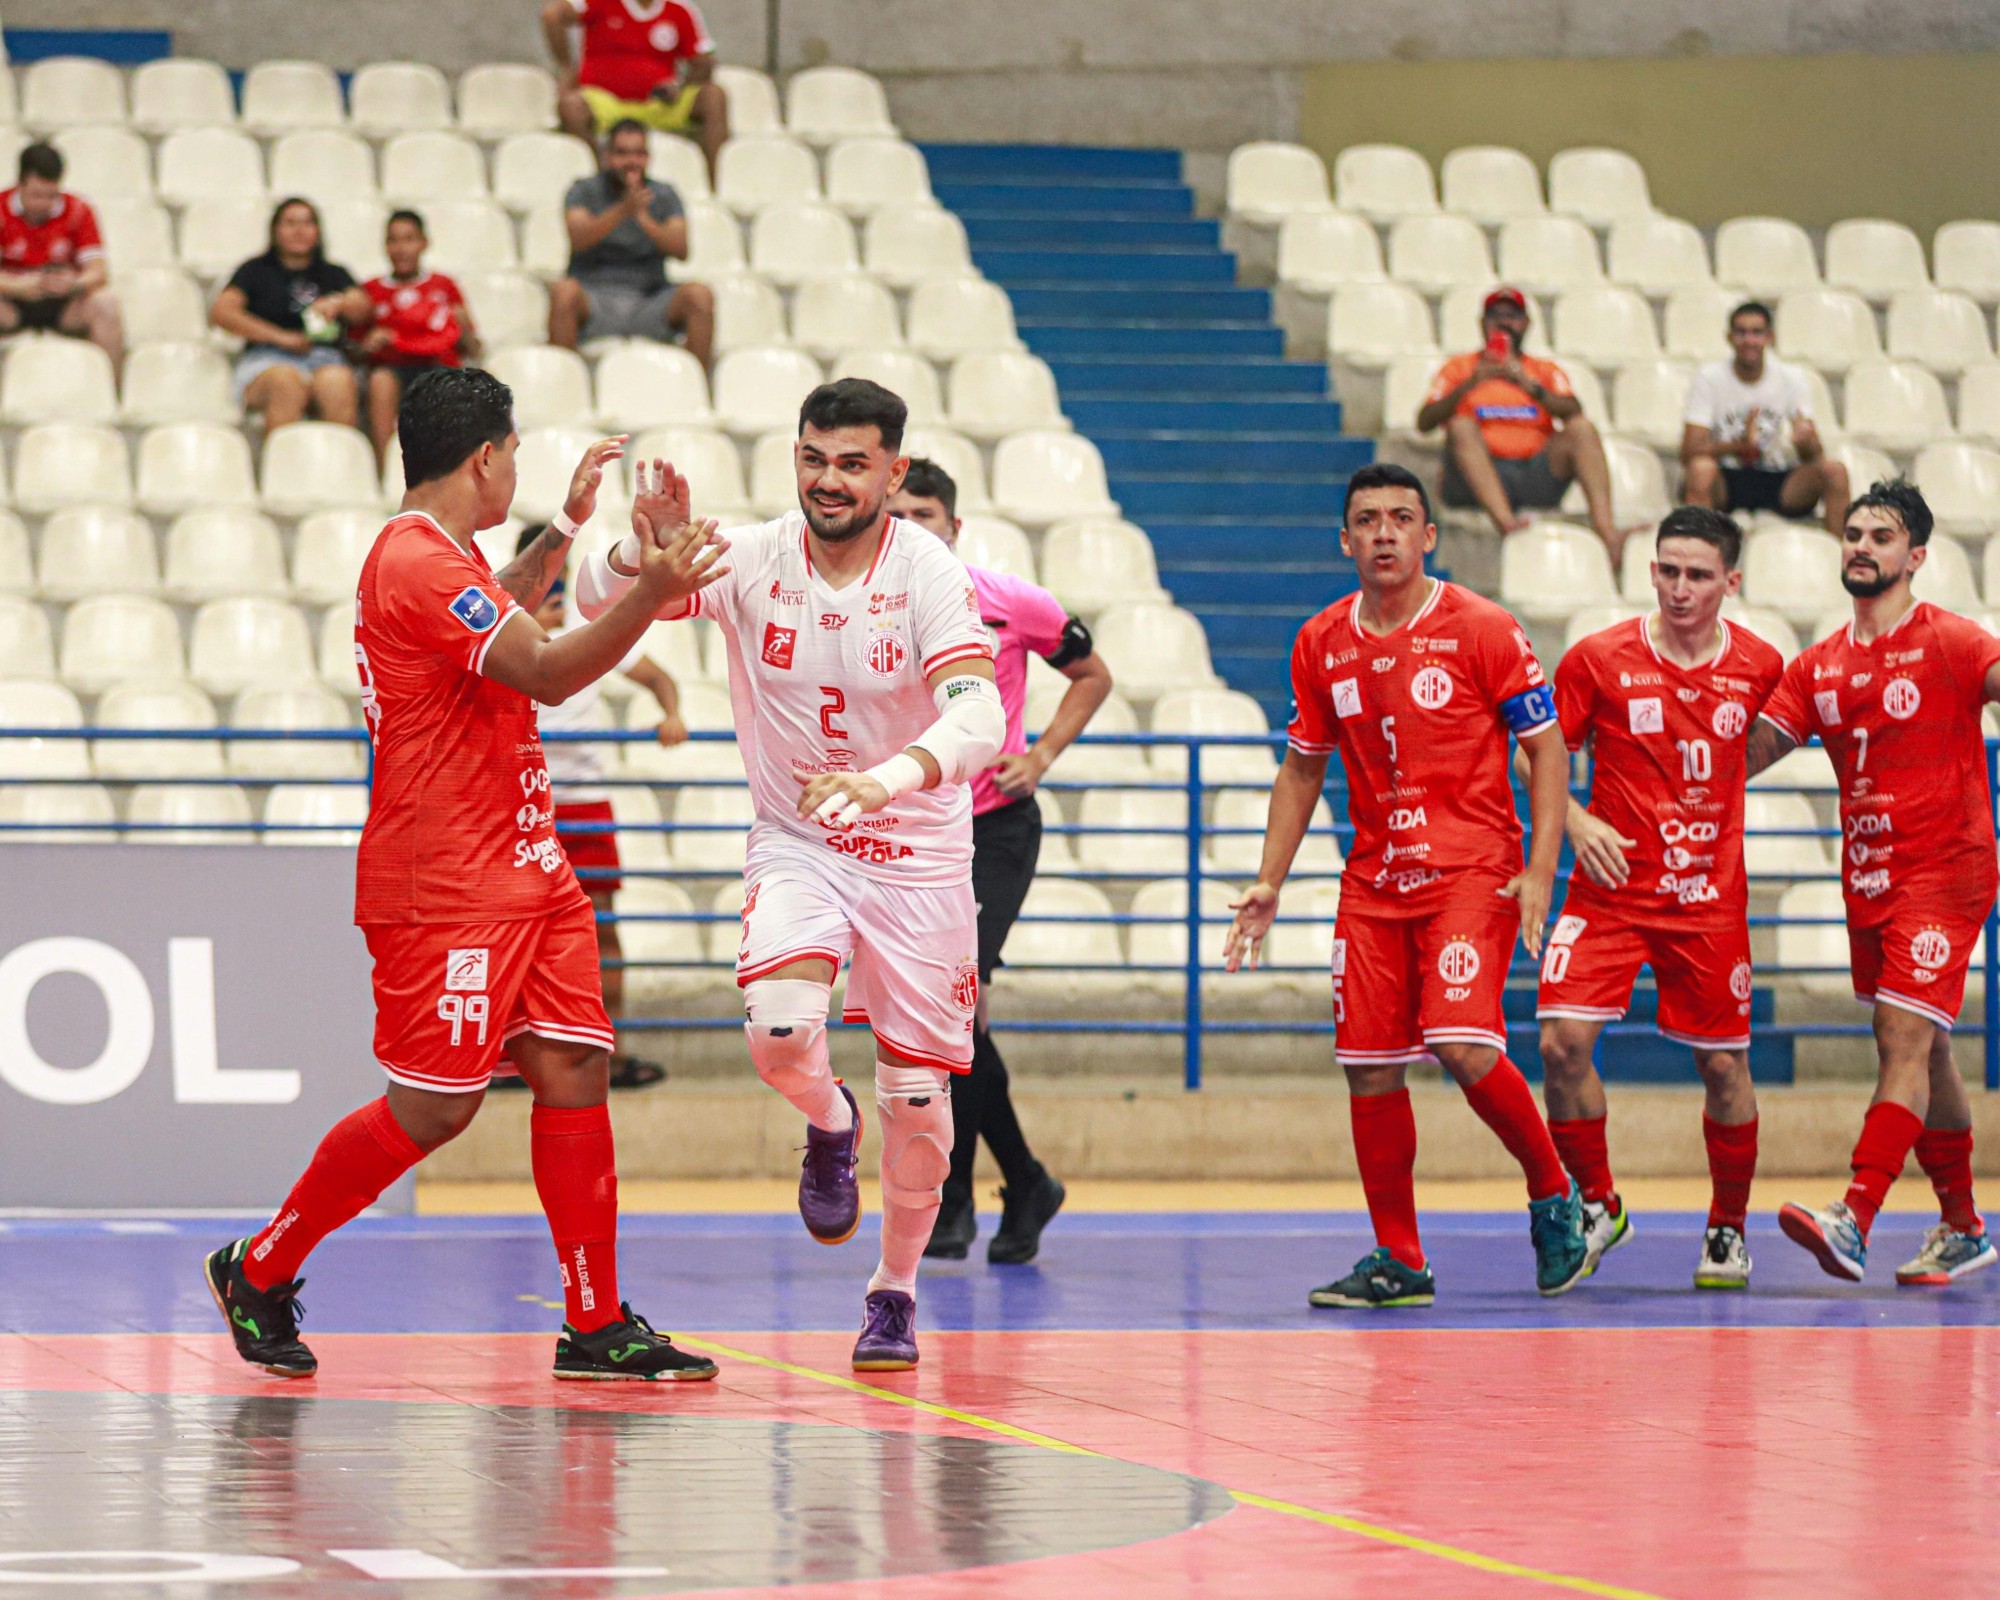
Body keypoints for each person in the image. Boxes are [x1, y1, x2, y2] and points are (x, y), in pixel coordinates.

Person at [203, 368, 731, 1382]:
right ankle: (258, 1266)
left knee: (573, 1066)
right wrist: (655, 593)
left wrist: (570, 524)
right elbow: (544, 669)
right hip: (443, 878)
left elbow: (512, 603)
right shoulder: (412, 561)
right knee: (438, 1107)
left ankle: (593, 1319)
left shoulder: (445, 555)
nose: (519, 469)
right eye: (518, 455)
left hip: (527, 864)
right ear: (486, 457)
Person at [574, 379, 1005, 1371]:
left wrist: (885, 779)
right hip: (798, 838)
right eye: (813, 458)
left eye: (853, 463)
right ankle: (826, 1118)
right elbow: (594, 598)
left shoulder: (927, 570)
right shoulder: (755, 554)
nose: (828, 480)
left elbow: (979, 718)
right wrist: (646, 551)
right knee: (777, 1034)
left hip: (919, 860)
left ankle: (892, 1290)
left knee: (922, 1108)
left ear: (894, 473)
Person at [1222, 461, 1588, 1308]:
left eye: (1400, 518)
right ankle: (1400, 1258)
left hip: (1473, 869)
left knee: (1461, 1044)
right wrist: (1269, 881)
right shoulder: (1321, 640)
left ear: (1429, 536)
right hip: (1375, 880)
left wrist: (1540, 870)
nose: (1383, 532)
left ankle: (1553, 1189)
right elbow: (1302, 768)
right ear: (1344, 539)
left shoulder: (1483, 627)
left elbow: (1548, 748)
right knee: (1370, 1068)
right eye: (1366, 520)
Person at [1748, 479, 1997, 1288]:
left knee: (1900, 1040)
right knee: (1929, 1053)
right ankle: (1962, 1227)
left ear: (1916, 556)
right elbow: (1746, 753)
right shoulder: (1819, 666)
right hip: (1870, 877)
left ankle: (1854, 1215)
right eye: (1852, 533)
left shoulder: (1953, 641)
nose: (1861, 545)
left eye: (1881, 536)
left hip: (1947, 868)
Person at [1531, 506, 1784, 1289]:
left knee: (1722, 1068)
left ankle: (1727, 1230)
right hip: (1607, 894)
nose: (1679, 588)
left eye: (1698, 575)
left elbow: (1785, 734)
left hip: (1707, 902)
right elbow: (1535, 752)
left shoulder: (1763, 664)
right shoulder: (1598, 659)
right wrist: (1574, 818)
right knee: (1559, 1045)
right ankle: (1601, 1203)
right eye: (1667, 571)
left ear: (1730, 582)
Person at [888, 459, 1114, 1265]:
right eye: (898, 513)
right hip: (912, 832)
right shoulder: (866, 608)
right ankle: (1020, 1182)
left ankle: (959, 1196)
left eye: (925, 513)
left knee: (957, 1006)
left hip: (994, 828)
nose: (910, 526)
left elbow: (1091, 672)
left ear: (954, 527)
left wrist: (1043, 752)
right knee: (928, 1019)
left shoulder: (1008, 600)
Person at [518, 522, 687, 1092]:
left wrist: (672, 715)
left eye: (556, 571)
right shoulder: (501, 628)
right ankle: (507, 1058)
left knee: (602, 930)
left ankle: (609, 1054)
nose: (552, 584)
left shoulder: (595, 627)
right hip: (521, 803)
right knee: (514, 936)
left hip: (584, 804)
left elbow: (658, 678)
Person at [1416, 286, 1638, 561]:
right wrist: (1471, 383)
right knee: (1461, 425)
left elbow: (1572, 409)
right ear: (1482, 324)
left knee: (1582, 429)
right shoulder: (1460, 368)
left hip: (1533, 472)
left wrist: (1528, 384)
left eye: (1512, 315)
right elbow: (1425, 421)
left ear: (1526, 324)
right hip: (1477, 476)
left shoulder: (1541, 371)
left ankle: (1607, 533)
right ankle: (1506, 523)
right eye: (1495, 315)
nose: (1503, 322)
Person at [549, 120, 713, 367]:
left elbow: (680, 249)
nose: (631, 162)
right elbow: (579, 238)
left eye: (639, 153)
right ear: (606, 156)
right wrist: (622, 210)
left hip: (650, 299)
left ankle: (696, 385)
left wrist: (643, 218)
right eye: (622, 153)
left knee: (699, 295)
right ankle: (564, 384)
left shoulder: (665, 194)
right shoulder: (583, 190)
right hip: (594, 297)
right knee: (563, 292)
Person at [1683, 300, 1851, 537]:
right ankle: (1696, 559)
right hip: (1727, 479)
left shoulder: (1792, 378)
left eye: (1757, 332)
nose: (1749, 340)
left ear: (1770, 337)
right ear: (1729, 337)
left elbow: (1814, 456)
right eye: (1741, 332)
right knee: (1700, 470)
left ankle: (1845, 563)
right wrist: (1740, 446)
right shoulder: (1709, 378)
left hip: (1779, 479)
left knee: (1836, 471)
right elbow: (1688, 452)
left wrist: (1807, 442)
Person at [211, 197, 369, 430]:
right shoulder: (255, 270)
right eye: (290, 223)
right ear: (275, 230)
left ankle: (341, 462)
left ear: (318, 231)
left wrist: (339, 302)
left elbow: (363, 308)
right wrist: (280, 338)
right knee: (286, 381)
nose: (299, 231)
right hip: (267, 360)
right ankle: (281, 464)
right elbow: (222, 312)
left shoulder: (334, 273)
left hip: (324, 358)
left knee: (338, 381)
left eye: (307, 223)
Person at [545, 0, 729, 184]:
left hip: (659, 105)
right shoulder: (600, 2)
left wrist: (679, 87)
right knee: (572, 106)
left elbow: (704, 61)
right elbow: (552, 15)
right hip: (606, 104)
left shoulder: (681, 10)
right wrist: (566, 69)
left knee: (713, 96)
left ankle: (716, 185)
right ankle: (598, 183)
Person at [358, 210, 479, 468]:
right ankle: (386, 470)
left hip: (436, 364)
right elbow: (356, 350)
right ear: (386, 246)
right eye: (394, 240)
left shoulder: (444, 286)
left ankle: (450, 471)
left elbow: (473, 347)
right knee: (380, 381)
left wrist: (464, 326)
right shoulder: (371, 290)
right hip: (392, 369)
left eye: (409, 239)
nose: (401, 248)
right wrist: (367, 345)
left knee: (446, 382)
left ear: (424, 243)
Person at [0, 142, 122, 365]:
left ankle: (112, 392)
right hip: (11, 301)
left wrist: (74, 284)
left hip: (63, 303)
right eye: (36, 195)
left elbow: (98, 273)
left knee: (106, 304)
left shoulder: (78, 210)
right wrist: (17, 286)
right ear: (20, 184)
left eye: (51, 195)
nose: (43, 204)